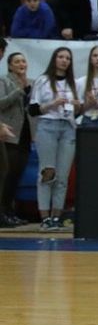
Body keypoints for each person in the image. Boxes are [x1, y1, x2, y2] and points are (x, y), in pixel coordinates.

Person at [27, 46, 76, 230]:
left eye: (67, 58)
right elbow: (33, 109)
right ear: (54, 59)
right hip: (48, 125)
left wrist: (77, 105)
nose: (64, 61)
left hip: (68, 127)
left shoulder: (72, 83)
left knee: (62, 176)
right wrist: (51, 104)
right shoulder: (43, 80)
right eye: (61, 57)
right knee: (48, 172)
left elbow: (77, 108)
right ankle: (44, 216)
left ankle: (56, 215)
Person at [0, 50, 28, 226]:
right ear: (10, 66)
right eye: (17, 62)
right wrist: (19, 90)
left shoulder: (30, 82)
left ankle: (10, 212)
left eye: (23, 61)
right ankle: (2, 212)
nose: (21, 64)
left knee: (16, 176)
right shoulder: (4, 80)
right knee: (6, 174)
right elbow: (1, 103)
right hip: (9, 132)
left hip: (25, 133)